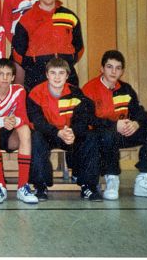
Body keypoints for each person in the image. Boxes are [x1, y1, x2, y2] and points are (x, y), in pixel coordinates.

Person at [82, 50, 147, 200]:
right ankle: (112, 178)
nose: (113, 71)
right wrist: (114, 125)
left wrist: (136, 123)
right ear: (101, 69)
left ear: (122, 71)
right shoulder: (89, 89)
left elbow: (141, 114)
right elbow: (87, 119)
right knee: (107, 134)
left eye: (118, 68)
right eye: (109, 67)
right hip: (101, 136)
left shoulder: (126, 89)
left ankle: (144, 180)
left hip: (123, 134)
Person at [28, 58, 102, 201]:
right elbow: (38, 122)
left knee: (91, 136)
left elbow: (82, 118)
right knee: (36, 137)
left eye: (61, 73)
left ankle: (88, 186)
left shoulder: (76, 92)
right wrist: (57, 132)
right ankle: (40, 186)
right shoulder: (36, 93)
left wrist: (73, 132)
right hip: (49, 134)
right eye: (53, 73)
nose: (57, 77)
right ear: (47, 75)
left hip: (69, 134)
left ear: (67, 76)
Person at [0, 58, 38, 204]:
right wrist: (1, 121)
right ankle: (0, 185)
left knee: (25, 129)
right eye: (1, 74)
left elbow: (23, 117)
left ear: (13, 77)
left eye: (8, 74)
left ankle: (22, 186)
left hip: (11, 134)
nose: (4, 78)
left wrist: (15, 121)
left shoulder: (19, 90)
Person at [12, 0, 83, 93]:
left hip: (65, 73)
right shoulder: (27, 19)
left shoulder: (70, 17)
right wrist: (33, 66)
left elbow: (79, 48)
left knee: (70, 103)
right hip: (37, 76)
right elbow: (18, 53)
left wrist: (67, 61)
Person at [1, 0, 40, 86]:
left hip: (39, 46)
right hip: (20, 46)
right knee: (19, 85)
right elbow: (6, 22)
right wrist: (16, 41)